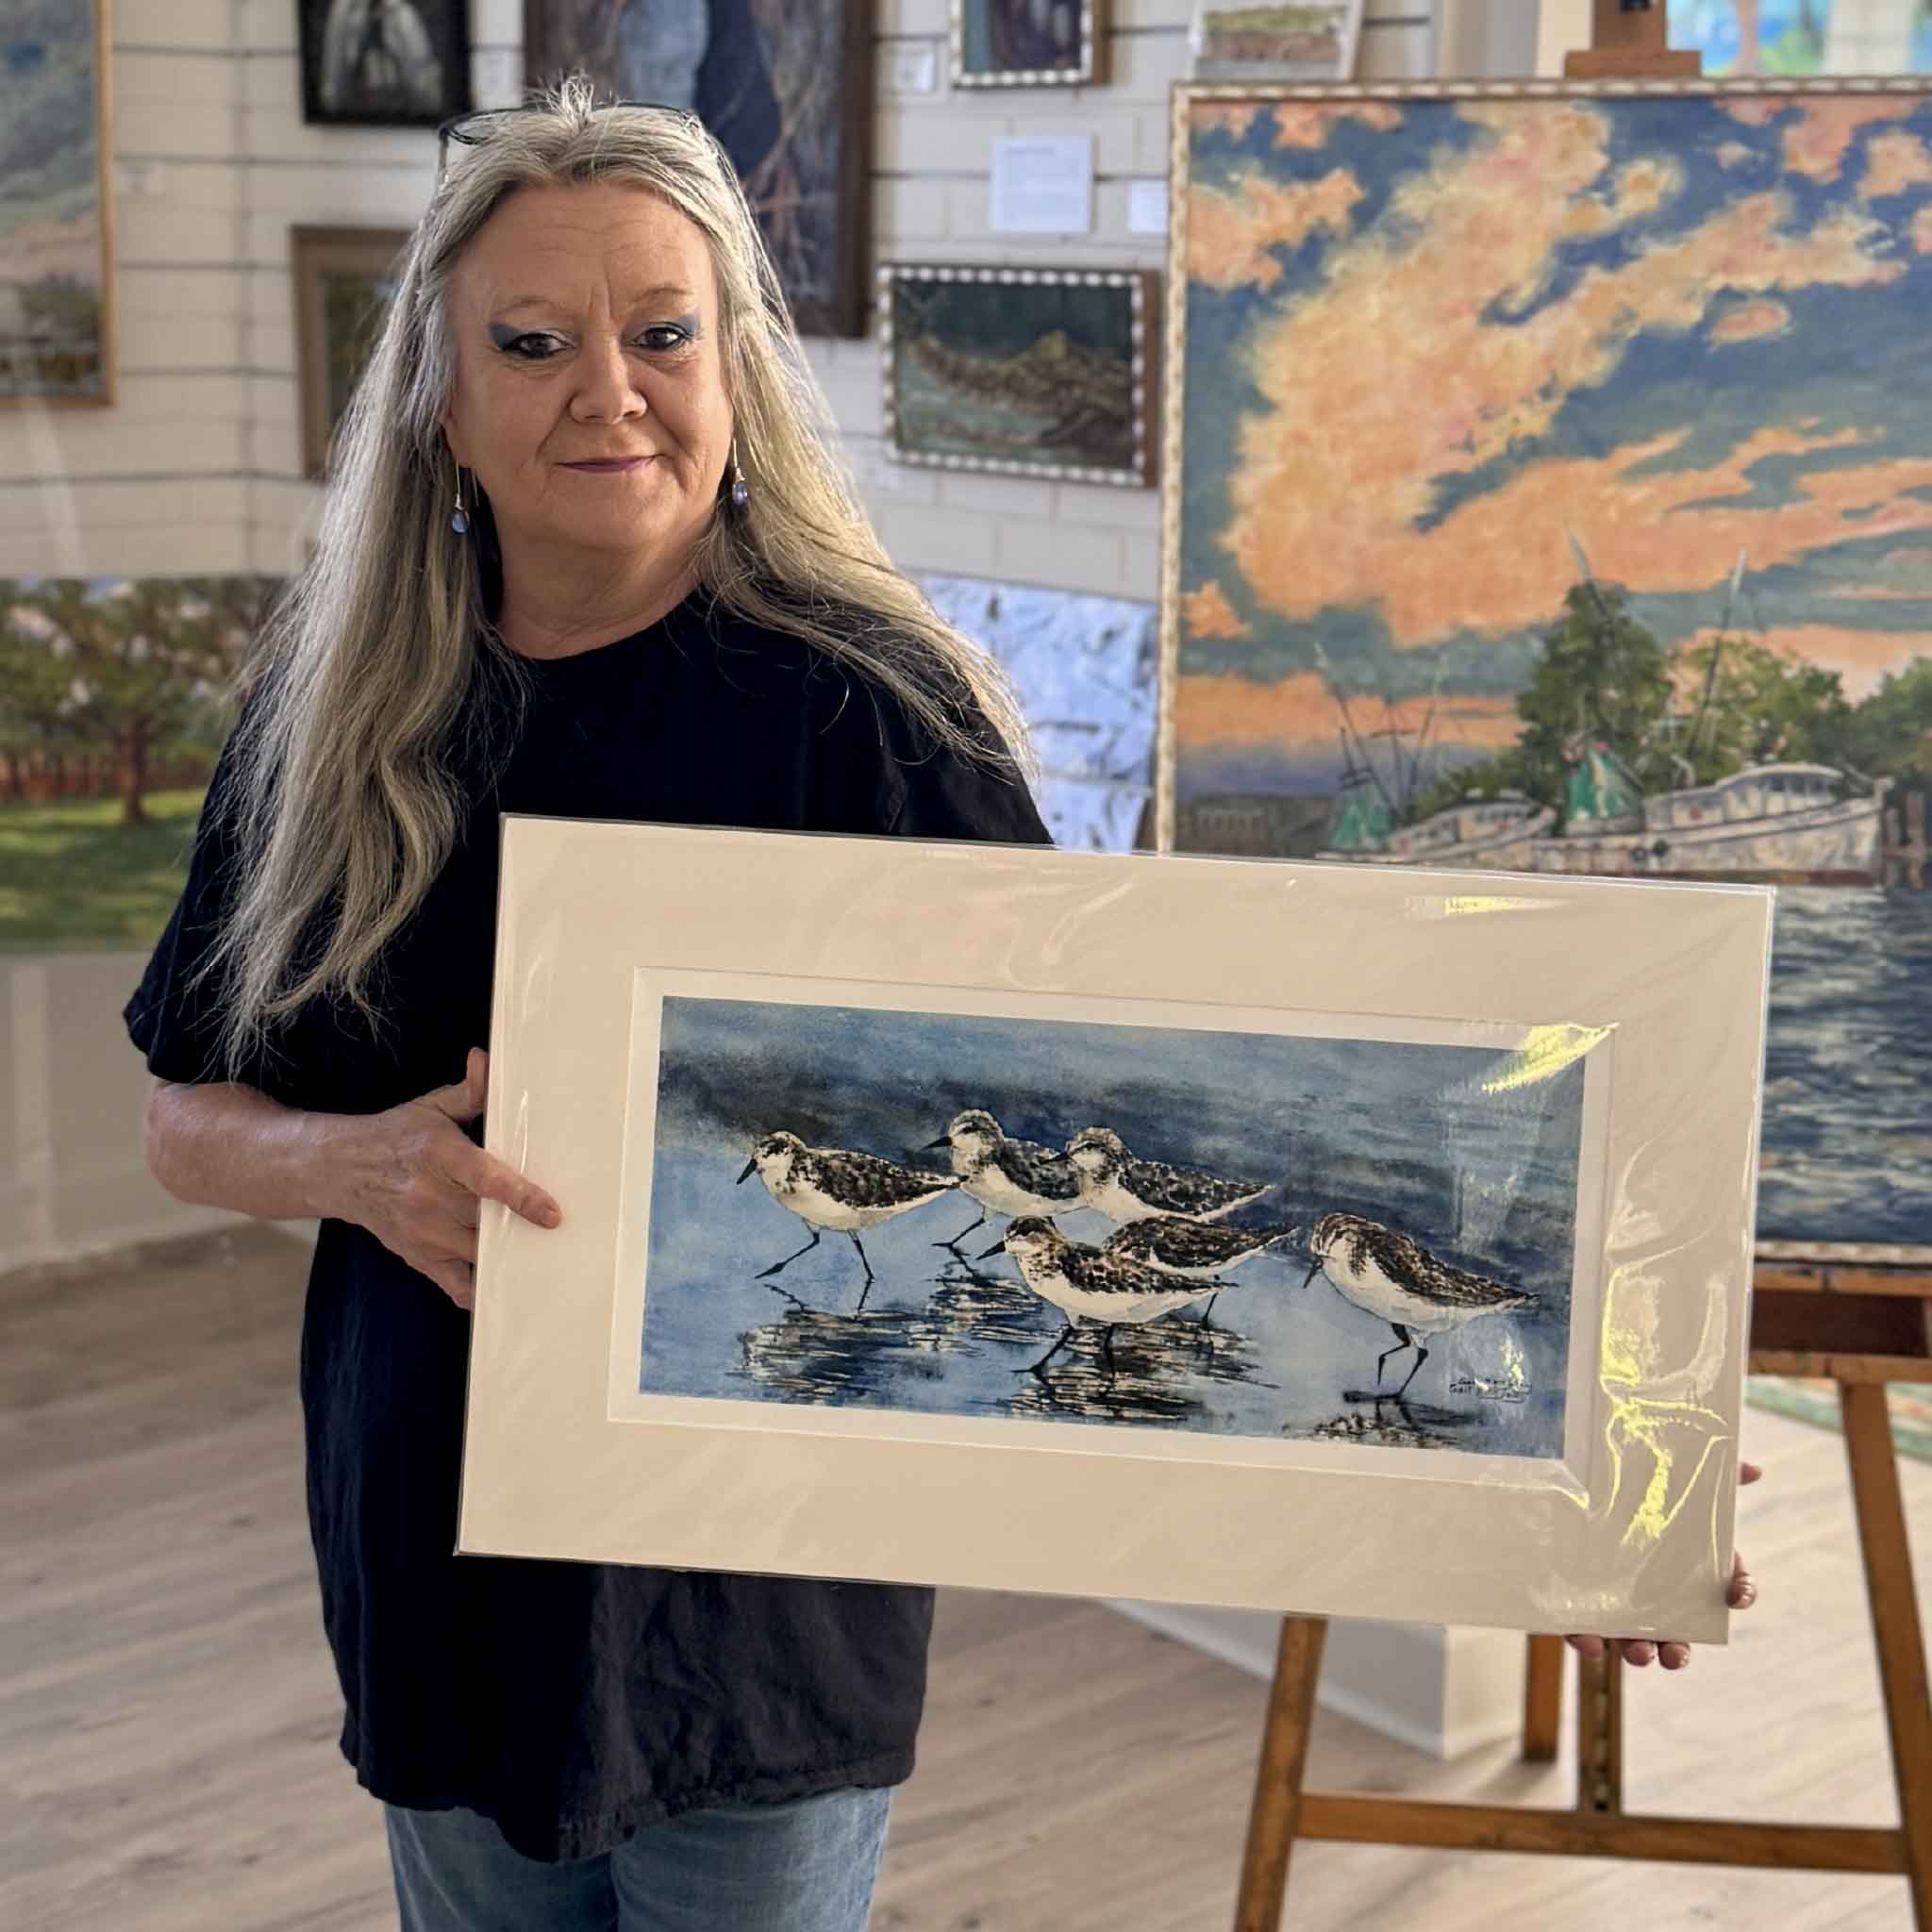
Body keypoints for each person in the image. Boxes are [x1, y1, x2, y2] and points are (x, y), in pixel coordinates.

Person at [127, 82, 1757, 1932]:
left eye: (663, 333)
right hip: (438, 1548)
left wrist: (1592, 1455)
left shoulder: (874, 717)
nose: (610, 391)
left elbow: (1144, 1140)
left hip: (764, 1605)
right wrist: (354, 1163)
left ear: (732, 364)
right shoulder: (330, 720)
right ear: (436, 388)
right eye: (534, 342)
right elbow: (186, 1117)